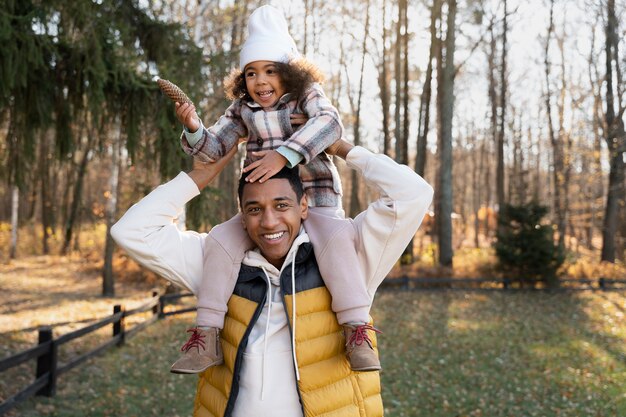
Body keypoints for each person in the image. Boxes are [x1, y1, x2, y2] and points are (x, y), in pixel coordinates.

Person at [111, 139, 433, 417]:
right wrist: (201, 177)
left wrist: (340, 148)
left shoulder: (349, 255)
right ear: (241, 215)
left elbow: (413, 194)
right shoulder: (217, 263)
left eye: (282, 205)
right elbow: (131, 231)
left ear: (303, 206)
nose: (269, 221)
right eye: (254, 209)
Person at [172, 5, 378, 374]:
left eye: (270, 71)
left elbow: (330, 124)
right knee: (220, 240)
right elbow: (214, 148)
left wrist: (284, 155)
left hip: (315, 197)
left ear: (290, 73)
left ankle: (356, 329)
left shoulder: (307, 96)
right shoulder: (242, 110)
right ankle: (206, 335)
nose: (260, 81)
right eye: (252, 73)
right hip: (263, 204)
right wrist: (193, 129)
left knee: (336, 243)